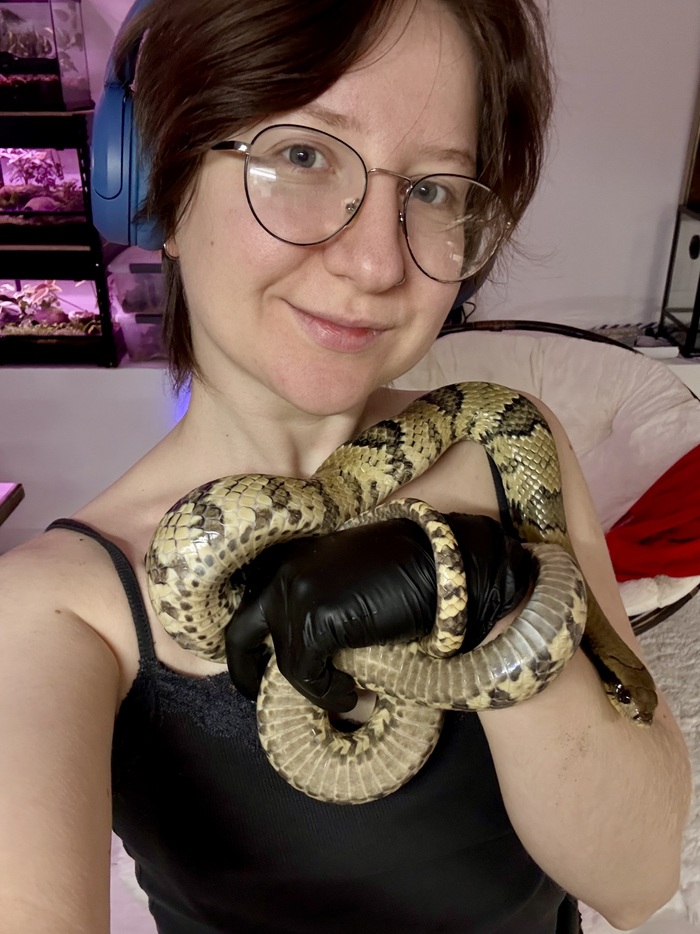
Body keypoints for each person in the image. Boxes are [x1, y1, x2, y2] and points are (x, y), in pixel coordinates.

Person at [0, 0, 691, 932]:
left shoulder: (509, 444)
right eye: (302, 155)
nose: (375, 263)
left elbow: (641, 878)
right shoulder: (52, 608)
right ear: (157, 181)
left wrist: (495, 589)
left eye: (433, 190)